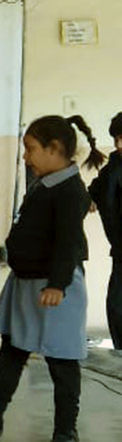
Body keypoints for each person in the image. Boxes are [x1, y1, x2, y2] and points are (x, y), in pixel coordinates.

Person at [0, 115, 104, 442]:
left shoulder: (70, 190)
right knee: (13, 350)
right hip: (27, 284)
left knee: (62, 361)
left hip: (54, 288)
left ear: (55, 149)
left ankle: (66, 430)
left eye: (31, 149)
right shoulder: (45, 182)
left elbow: (67, 243)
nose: (25, 156)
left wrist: (58, 285)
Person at [87, 111, 122, 354]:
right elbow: (95, 192)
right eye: (116, 139)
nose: (118, 145)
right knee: (117, 305)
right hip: (120, 249)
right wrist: (90, 200)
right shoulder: (113, 167)